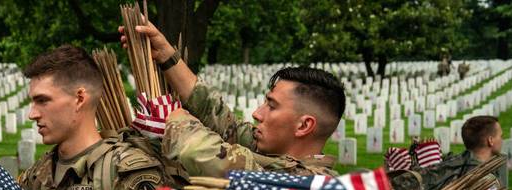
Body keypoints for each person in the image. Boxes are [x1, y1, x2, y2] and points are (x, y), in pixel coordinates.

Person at [120, 22, 345, 177]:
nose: (257, 113)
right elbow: (218, 116)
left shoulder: (308, 181)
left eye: (272, 106)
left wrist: (176, 120)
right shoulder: (273, 150)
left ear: (304, 125)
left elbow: (211, 157)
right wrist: (166, 55)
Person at [18, 45, 180, 190]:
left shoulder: (126, 172)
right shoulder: (36, 174)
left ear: (79, 99)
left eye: (42, 101)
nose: (32, 114)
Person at [389, 116, 504, 190]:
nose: (502, 140)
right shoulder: (485, 178)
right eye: (500, 136)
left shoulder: (453, 162)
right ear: (491, 140)